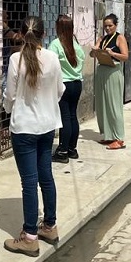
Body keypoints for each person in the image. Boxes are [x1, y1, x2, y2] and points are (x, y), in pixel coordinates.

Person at [3, 15, 65, 257]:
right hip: (47, 125)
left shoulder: (16, 59)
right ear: (43, 33)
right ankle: (49, 225)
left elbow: (9, 95)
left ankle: (29, 236)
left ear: (20, 33)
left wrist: (11, 110)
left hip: (24, 128)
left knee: (29, 182)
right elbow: (60, 90)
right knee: (46, 176)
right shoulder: (52, 57)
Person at [48, 15, 85, 163]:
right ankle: (72, 148)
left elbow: (49, 63)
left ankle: (62, 151)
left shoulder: (56, 44)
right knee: (72, 115)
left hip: (64, 84)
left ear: (58, 27)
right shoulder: (76, 44)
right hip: (77, 83)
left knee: (64, 117)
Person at [90, 13, 129, 150]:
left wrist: (113, 54)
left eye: (110, 26)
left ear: (116, 25)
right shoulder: (102, 38)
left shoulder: (120, 38)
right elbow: (92, 53)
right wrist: (94, 51)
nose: (107, 28)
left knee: (113, 105)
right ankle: (108, 135)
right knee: (102, 105)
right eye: (105, 26)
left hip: (113, 72)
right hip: (102, 71)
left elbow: (125, 56)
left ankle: (118, 138)